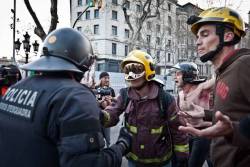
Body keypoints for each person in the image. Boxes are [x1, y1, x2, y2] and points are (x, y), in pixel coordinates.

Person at [0, 28, 132, 167]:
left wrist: (95, 113)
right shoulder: (75, 96)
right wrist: (121, 146)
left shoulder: (15, 89)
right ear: (84, 62)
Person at [178, 7, 250, 167]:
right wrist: (205, 114)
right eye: (197, 36)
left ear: (227, 36)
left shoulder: (245, 64)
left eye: (204, 34)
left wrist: (234, 130)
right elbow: (234, 114)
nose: (197, 42)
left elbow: (234, 126)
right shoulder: (223, 71)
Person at [101, 50, 189, 167]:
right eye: (128, 70)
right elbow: (113, 110)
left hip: (161, 162)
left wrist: (182, 156)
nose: (131, 75)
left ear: (148, 70)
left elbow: (177, 129)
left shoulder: (165, 98)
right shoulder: (124, 95)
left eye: (136, 70)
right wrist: (101, 116)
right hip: (134, 161)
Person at [171, 62, 214, 167]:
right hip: (187, 134)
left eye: (178, 74)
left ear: (187, 75)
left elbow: (218, 79)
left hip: (204, 134)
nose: (174, 77)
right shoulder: (180, 94)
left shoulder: (203, 90)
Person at [95, 71, 116, 147]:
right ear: (100, 79)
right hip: (97, 117)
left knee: (108, 139)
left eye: (108, 78)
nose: (107, 80)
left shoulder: (111, 90)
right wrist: (100, 102)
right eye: (105, 78)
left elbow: (114, 106)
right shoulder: (96, 89)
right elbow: (92, 104)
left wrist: (109, 101)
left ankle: (108, 153)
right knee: (98, 139)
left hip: (106, 117)